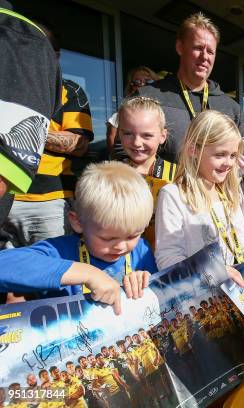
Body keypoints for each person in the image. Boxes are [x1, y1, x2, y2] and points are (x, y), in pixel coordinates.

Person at [0, 162, 161, 315]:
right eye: (107, 238)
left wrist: (147, 283)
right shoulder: (61, 251)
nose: (120, 246)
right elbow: (4, 265)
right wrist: (87, 273)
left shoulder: (141, 250)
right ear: (77, 222)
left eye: (132, 236)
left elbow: (161, 296)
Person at [154, 110, 244, 273]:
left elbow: (242, 245)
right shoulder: (173, 195)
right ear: (193, 150)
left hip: (231, 288)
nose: (228, 163)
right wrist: (218, 271)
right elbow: (168, 260)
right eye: (220, 155)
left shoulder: (230, 193)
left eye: (233, 156)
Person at [5, 24, 93, 249]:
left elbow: (79, 144)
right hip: (5, 198)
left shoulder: (69, 90)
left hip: (50, 201)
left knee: (54, 275)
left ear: (55, 55)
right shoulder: (6, 86)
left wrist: (21, 127)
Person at [136, 12, 244, 162]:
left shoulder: (233, 109)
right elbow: (125, 154)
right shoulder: (147, 97)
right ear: (180, 47)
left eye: (210, 51)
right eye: (198, 48)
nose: (205, 57)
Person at [0, 2, 61, 224]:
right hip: (17, 198)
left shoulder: (16, 35)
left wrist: (41, 136)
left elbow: (79, 142)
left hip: (48, 197)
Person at [117, 96, 175, 248]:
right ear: (118, 133)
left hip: (166, 259)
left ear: (162, 136)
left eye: (147, 135)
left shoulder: (178, 175)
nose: (136, 142)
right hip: (123, 260)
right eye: (128, 133)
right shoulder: (110, 175)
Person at [107, 65, 160, 159]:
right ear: (131, 87)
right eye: (137, 82)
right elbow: (114, 148)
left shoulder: (169, 111)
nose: (142, 85)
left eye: (148, 81)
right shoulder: (120, 115)